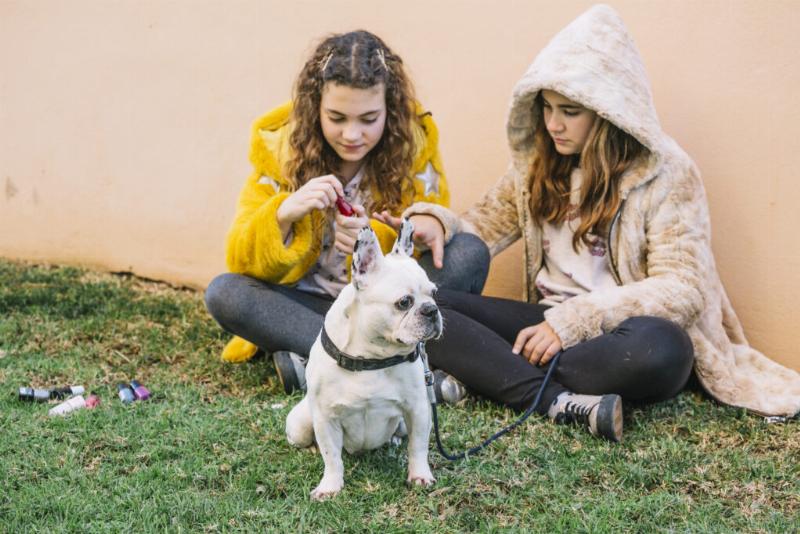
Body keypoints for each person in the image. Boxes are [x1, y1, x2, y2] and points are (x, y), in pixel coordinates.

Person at [381, 5, 800, 441]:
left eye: (569, 111)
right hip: (542, 322)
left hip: (615, 333)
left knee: (667, 348)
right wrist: (437, 221)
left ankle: (491, 371)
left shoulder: (666, 173)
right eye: (547, 108)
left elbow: (684, 288)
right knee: (433, 309)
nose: (553, 124)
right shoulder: (539, 164)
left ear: (608, 112)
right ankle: (556, 401)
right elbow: (483, 223)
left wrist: (575, 321)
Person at [205, 30, 490, 393]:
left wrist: (378, 240)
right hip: (308, 309)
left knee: (469, 252)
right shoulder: (280, 150)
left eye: (368, 119)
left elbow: (421, 247)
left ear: (390, 109)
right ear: (315, 108)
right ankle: (382, 366)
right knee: (224, 292)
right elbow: (240, 259)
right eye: (336, 118)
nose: (351, 134)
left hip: (388, 309)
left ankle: (323, 365)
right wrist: (283, 215)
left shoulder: (414, 147)